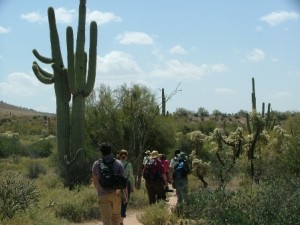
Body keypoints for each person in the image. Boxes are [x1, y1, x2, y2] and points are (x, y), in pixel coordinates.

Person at [92, 142, 124, 225]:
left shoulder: (96, 164)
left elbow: (95, 180)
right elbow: (122, 180)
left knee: (106, 220)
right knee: (116, 218)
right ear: (110, 151)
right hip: (115, 194)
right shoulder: (118, 163)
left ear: (101, 152)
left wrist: (99, 190)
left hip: (102, 194)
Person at [118, 149, 135, 225]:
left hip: (116, 185)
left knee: (116, 202)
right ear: (126, 156)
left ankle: (116, 220)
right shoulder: (129, 165)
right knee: (124, 202)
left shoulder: (116, 163)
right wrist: (132, 187)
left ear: (119, 156)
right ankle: (121, 221)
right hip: (125, 185)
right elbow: (131, 177)